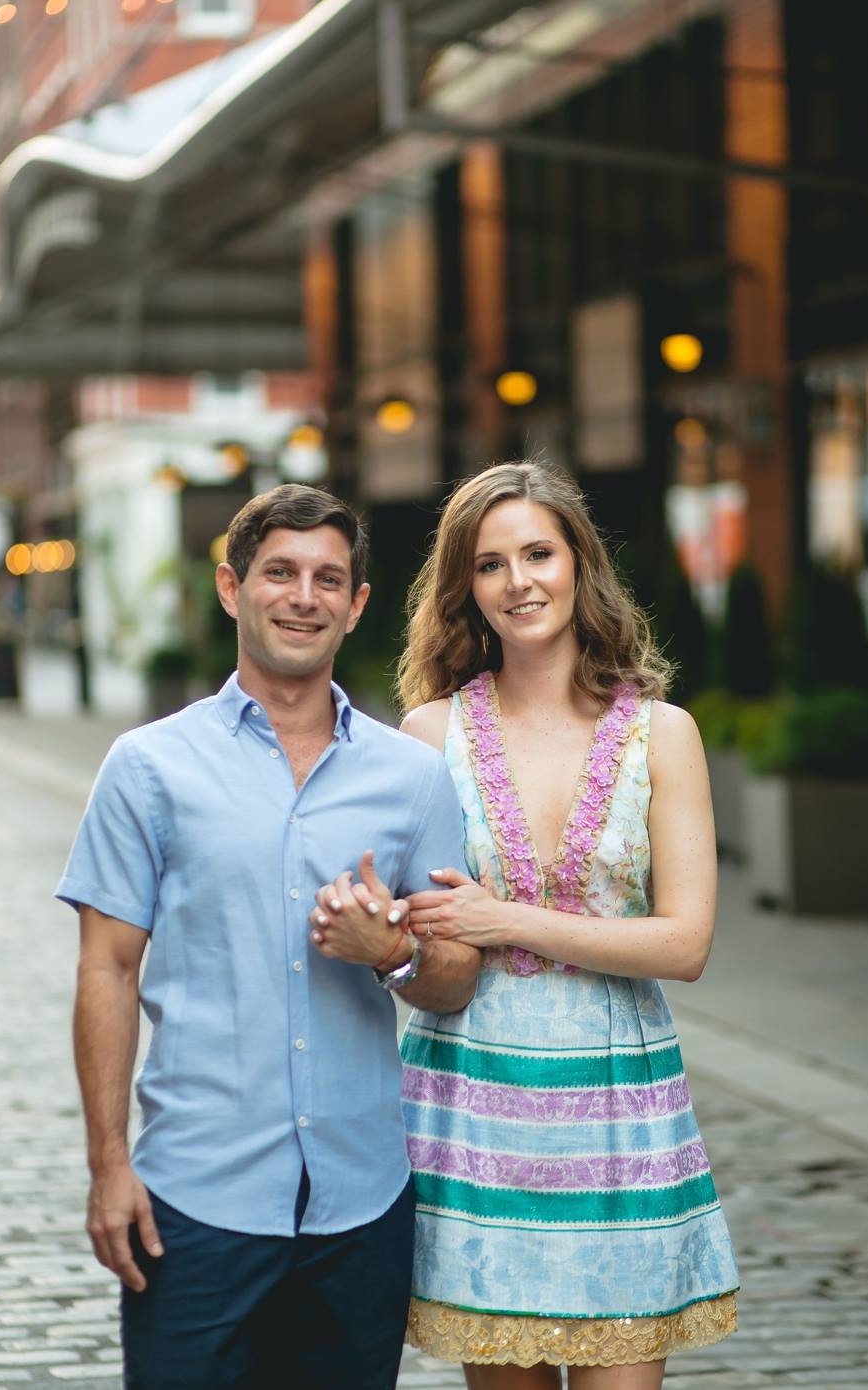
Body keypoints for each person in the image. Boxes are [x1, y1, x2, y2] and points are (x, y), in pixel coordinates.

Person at [60, 484, 483, 1388]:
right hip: (196, 1200)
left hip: (362, 1205)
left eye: (329, 579)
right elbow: (107, 968)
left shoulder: (413, 779)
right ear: (231, 588)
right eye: (279, 573)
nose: (304, 596)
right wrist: (107, 1167)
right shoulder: (147, 767)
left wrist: (394, 953)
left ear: (358, 604)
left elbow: (456, 978)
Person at [393, 461, 739, 1385]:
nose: (520, 582)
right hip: (478, 1105)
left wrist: (507, 918)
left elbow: (686, 943)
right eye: (491, 563)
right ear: (466, 587)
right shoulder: (427, 737)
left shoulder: (663, 734)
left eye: (539, 552)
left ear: (581, 563)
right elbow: (431, 936)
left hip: (618, 1109)